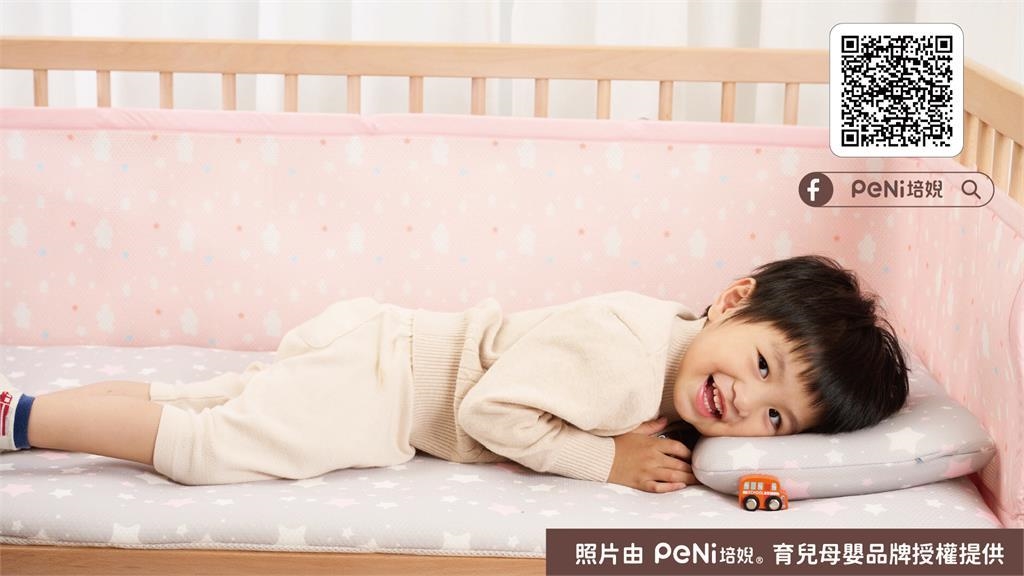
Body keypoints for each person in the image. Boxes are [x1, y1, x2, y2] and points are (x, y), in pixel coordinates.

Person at [0, 255, 908, 493]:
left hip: (380, 351)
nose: (744, 402)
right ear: (732, 300)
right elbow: (488, 410)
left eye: (776, 419)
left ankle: (18, 417)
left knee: (195, 398)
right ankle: (26, 419)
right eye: (760, 364)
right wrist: (607, 461)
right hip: (389, 384)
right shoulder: (628, 356)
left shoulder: (671, 343)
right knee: (207, 448)